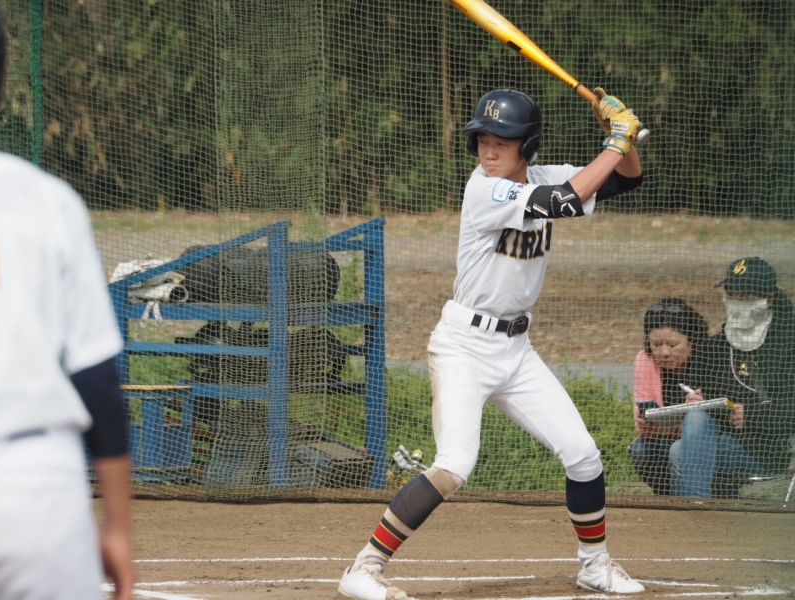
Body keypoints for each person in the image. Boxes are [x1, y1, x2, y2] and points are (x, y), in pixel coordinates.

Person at [338, 88, 646, 599]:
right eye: (483, 139)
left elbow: (627, 178)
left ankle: (595, 566)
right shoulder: (485, 189)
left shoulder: (545, 176)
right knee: (454, 465)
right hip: (464, 346)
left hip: (516, 350)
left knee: (583, 454)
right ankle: (363, 569)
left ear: (529, 145)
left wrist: (623, 139)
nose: (489, 149)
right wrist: (615, 140)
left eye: (502, 141)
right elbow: (565, 202)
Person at [0, 8, 135, 599]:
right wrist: (119, 528)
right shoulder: (48, 202)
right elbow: (97, 378)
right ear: (3, 83)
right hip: (34, 487)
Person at [671, 257, 795, 499]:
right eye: (731, 294)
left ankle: (691, 512)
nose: (736, 303)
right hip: (712, 438)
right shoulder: (714, 346)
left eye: (745, 296)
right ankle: (699, 510)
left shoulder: (788, 342)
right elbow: (693, 389)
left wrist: (751, 414)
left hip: (765, 451)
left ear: (768, 299)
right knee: (695, 417)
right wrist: (691, 400)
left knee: (678, 451)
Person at [629, 298, 709, 495]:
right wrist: (644, 423)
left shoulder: (710, 359)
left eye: (673, 345)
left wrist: (688, 415)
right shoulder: (644, 360)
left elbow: (708, 423)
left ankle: (693, 502)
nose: (664, 352)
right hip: (663, 438)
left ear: (692, 338)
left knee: (678, 449)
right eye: (656, 344)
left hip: (704, 443)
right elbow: (642, 414)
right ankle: (666, 500)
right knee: (641, 449)